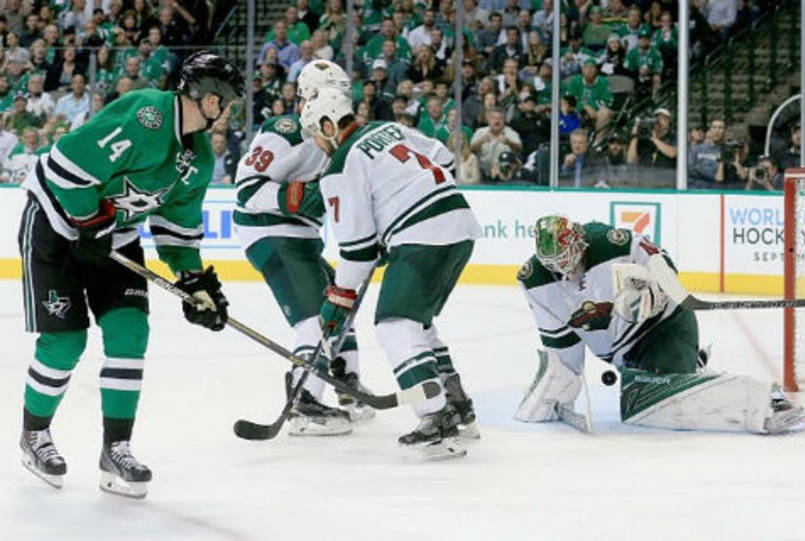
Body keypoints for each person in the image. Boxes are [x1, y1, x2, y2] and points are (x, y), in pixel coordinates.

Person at [17, 51, 244, 498]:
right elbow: (65, 167)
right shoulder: (147, 115)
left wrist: (194, 282)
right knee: (66, 342)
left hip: (112, 237)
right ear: (208, 97)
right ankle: (34, 433)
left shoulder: (199, 157)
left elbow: (177, 230)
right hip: (56, 224)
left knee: (130, 332)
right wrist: (89, 220)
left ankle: (115, 448)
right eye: (227, 100)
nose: (228, 110)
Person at [300, 87, 481, 459]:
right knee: (418, 323)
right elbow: (444, 157)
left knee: (395, 326)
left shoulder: (340, 165)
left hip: (423, 233)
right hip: (459, 222)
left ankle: (436, 420)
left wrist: (338, 298)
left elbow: (357, 251)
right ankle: (457, 406)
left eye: (316, 133)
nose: (316, 144)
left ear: (329, 125)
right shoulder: (389, 128)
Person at [515, 215, 805, 434]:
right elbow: (562, 346)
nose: (563, 266)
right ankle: (695, 369)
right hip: (623, 355)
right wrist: (558, 396)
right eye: (554, 262)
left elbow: (656, 257)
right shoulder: (535, 281)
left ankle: (765, 401)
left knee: (653, 402)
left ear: (580, 241)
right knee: (637, 401)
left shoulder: (609, 242)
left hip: (664, 328)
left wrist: (660, 289)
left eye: (567, 256)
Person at [233, 60, 371, 433]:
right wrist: (297, 197)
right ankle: (303, 403)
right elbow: (247, 189)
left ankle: (345, 381)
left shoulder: (340, 137)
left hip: (304, 235)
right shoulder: (286, 133)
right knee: (315, 318)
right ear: (309, 96)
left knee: (342, 303)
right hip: (271, 231)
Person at [563, 59, 614, 144]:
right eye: (586, 67)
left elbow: (608, 101)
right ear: (582, 70)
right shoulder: (576, 80)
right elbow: (569, 98)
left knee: (605, 113)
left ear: (596, 70)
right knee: (564, 107)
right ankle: (568, 140)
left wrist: (592, 108)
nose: (589, 70)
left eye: (592, 67)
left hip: (597, 112)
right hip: (577, 110)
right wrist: (585, 107)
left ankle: (597, 143)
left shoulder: (603, 82)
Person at [470, 107, 523, 177]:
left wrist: (509, 142)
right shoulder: (480, 132)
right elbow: (471, 150)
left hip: (505, 170)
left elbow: (519, 149)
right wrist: (481, 142)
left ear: (504, 120)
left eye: (500, 118)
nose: (497, 121)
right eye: (494, 118)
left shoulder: (511, 133)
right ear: (488, 120)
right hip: (482, 170)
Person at [626, 107, 676, 173]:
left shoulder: (674, 136)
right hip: (646, 177)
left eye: (663, 118)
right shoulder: (645, 138)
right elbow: (631, 161)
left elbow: (672, 153)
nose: (659, 121)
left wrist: (655, 139)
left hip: (666, 178)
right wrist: (635, 136)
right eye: (657, 118)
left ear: (669, 122)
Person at [688, 117, 727, 188]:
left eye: (720, 128)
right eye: (714, 127)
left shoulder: (726, 151)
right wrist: (711, 172)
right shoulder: (698, 149)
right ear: (710, 130)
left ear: (724, 131)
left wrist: (699, 168)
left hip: (714, 190)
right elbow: (690, 170)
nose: (717, 130)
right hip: (693, 190)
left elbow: (719, 177)